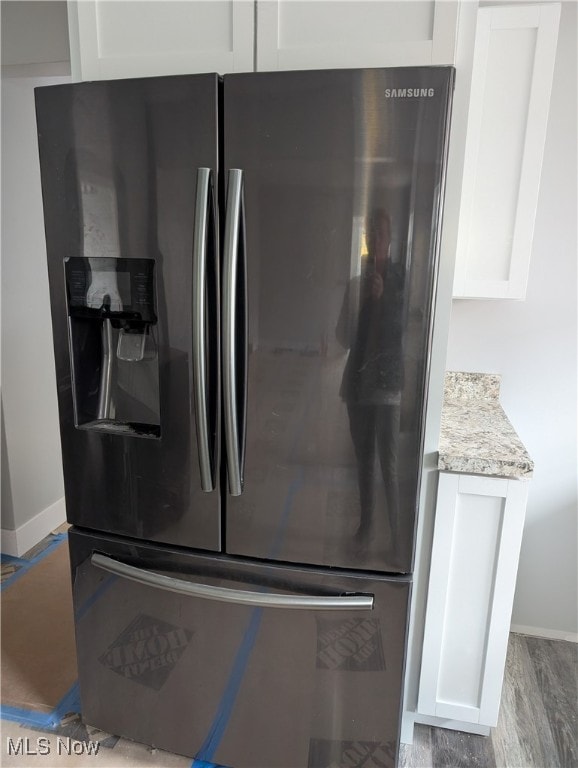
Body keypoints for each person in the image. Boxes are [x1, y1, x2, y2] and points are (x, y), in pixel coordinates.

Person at [336, 207, 403, 551]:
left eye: (380, 234)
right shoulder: (356, 283)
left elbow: (403, 334)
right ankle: (366, 528)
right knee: (363, 460)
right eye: (369, 235)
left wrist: (384, 299)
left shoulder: (403, 282)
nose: (374, 240)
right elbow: (342, 337)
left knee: (389, 465)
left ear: (389, 239)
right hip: (359, 386)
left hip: (388, 386)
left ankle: (396, 537)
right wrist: (361, 302)